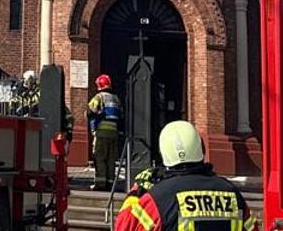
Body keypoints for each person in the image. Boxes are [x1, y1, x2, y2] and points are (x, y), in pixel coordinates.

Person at [114, 121, 254, 231]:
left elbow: (125, 226)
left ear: (164, 154)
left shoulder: (158, 199)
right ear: (201, 148)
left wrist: (135, 193)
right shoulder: (232, 193)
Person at [86, 73, 123, 190]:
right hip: (114, 133)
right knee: (111, 159)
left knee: (100, 158)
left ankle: (100, 183)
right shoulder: (116, 99)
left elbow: (90, 111)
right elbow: (121, 115)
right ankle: (110, 183)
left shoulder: (99, 97)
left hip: (102, 132)